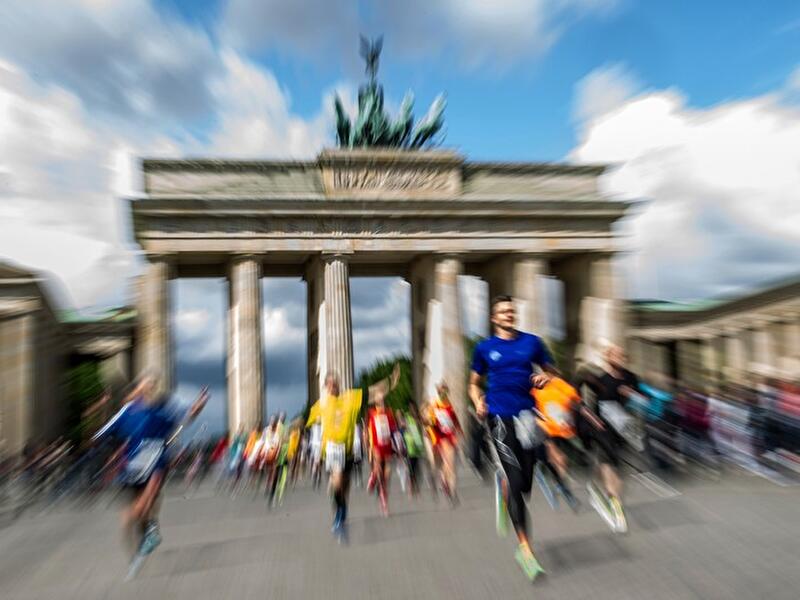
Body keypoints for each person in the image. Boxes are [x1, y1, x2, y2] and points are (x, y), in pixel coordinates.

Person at [469, 295, 556, 580]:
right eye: (503, 311)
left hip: (527, 416)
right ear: (494, 318)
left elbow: (552, 372)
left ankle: (504, 485)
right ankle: (526, 551)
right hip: (499, 417)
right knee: (517, 482)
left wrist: (546, 378)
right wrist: (478, 401)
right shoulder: (484, 348)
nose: (508, 314)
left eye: (511, 311)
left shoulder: (532, 342)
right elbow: (473, 383)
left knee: (526, 484)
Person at [91, 374, 208, 567]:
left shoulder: (135, 409)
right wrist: (201, 403)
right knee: (144, 504)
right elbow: (191, 414)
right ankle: (144, 529)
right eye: (148, 384)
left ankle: (142, 531)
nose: (150, 388)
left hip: (139, 462)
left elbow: (102, 432)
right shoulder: (156, 409)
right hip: (148, 460)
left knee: (145, 502)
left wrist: (200, 403)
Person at [306, 370, 392, 541]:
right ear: (325, 387)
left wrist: (389, 381)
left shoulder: (350, 398)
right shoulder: (321, 404)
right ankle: (339, 515)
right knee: (337, 481)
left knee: (345, 486)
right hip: (331, 451)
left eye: (334, 383)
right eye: (329, 384)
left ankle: (342, 509)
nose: (332, 387)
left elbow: (370, 393)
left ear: (339, 385)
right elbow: (307, 421)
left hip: (348, 451)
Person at [575, 344, 639, 532]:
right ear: (608, 358)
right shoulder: (600, 378)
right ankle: (615, 502)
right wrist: (586, 413)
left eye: (622, 355)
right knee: (607, 462)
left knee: (618, 468)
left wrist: (632, 394)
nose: (620, 358)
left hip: (623, 427)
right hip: (602, 427)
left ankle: (607, 491)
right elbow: (576, 388)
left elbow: (640, 398)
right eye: (616, 355)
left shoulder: (630, 377)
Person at [426, 382, 462, 505]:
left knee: (450, 466)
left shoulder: (449, 405)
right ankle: (448, 486)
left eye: (445, 392)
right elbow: (430, 424)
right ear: (438, 392)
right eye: (441, 392)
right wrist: (433, 438)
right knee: (447, 465)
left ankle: (450, 489)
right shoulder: (434, 405)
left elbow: (455, 421)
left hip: (450, 437)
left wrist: (459, 432)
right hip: (440, 438)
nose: (443, 394)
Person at [367, 388, 398, 516]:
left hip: (387, 446)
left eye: (382, 399)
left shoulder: (389, 413)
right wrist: (369, 447)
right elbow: (368, 431)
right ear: (375, 401)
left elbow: (394, 430)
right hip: (376, 446)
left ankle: (382, 492)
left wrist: (398, 445)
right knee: (379, 469)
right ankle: (375, 478)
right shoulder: (371, 413)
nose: (381, 401)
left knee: (387, 475)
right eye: (379, 399)